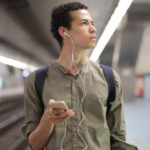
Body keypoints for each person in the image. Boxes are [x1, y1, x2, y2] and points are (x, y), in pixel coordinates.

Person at [22, 2, 138, 150]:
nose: (93, 29)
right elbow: (34, 145)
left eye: (92, 23)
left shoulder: (109, 78)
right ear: (64, 32)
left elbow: (118, 139)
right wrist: (47, 121)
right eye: (84, 23)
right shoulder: (37, 80)